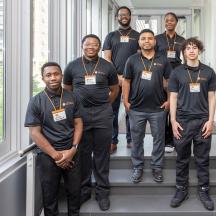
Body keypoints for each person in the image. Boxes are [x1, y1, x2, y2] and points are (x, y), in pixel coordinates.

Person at [63, 34, 119, 211]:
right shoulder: (72, 66)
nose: (91, 47)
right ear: (82, 46)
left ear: (99, 47)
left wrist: (105, 104)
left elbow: (114, 89)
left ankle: (102, 192)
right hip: (81, 117)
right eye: (88, 44)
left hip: (103, 115)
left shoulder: (107, 66)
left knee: (102, 155)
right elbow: (67, 90)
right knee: (84, 155)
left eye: (95, 45)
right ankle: (85, 190)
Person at [24, 62, 83, 216]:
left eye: (56, 74)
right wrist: (56, 155)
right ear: (43, 78)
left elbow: (78, 123)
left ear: (61, 75)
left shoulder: (73, 96)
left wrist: (73, 149)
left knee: (75, 194)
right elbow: (35, 133)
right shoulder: (36, 101)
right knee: (49, 199)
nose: (53, 78)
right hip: (48, 157)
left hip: (72, 153)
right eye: (48, 75)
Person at [168, 38, 216, 210]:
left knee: (202, 159)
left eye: (194, 48)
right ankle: (181, 190)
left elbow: (212, 98)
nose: (191, 50)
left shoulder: (209, 71)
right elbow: (173, 97)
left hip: (203, 122)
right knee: (181, 159)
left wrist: (211, 121)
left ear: (199, 50)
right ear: (183, 52)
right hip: (182, 121)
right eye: (188, 48)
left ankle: (204, 190)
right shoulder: (177, 72)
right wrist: (173, 121)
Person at [122, 29, 172, 184]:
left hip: (158, 108)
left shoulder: (163, 60)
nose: (147, 41)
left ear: (154, 41)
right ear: (139, 42)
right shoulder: (132, 60)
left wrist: (169, 100)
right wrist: (125, 101)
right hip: (136, 108)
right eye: (143, 38)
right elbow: (126, 81)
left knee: (159, 139)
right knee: (137, 139)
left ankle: (157, 167)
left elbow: (170, 81)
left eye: (150, 38)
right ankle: (138, 167)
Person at [103, 6, 139, 154]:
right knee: (112, 111)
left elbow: (139, 59)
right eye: (121, 14)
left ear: (130, 16)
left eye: (126, 14)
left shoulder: (137, 35)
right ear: (117, 17)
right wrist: (117, 77)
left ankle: (131, 139)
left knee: (132, 109)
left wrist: (127, 78)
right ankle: (113, 140)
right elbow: (107, 58)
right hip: (114, 80)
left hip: (133, 79)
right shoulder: (110, 36)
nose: (123, 16)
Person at [156, 12, 185, 153]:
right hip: (161, 77)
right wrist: (161, 78)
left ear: (176, 22)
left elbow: (185, 60)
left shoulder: (182, 40)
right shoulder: (157, 39)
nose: (169, 22)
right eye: (166, 20)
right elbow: (153, 58)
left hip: (177, 76)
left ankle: (174, 139)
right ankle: (164, 140)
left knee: (176, 109)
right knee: (164, 110)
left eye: (172, 20)